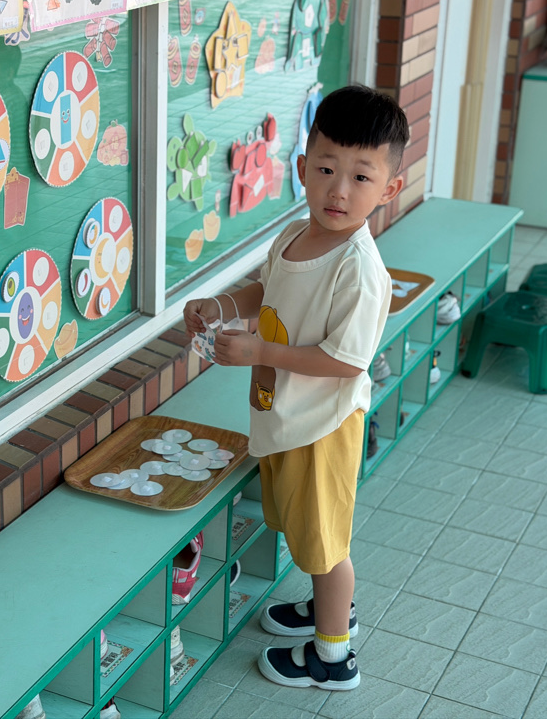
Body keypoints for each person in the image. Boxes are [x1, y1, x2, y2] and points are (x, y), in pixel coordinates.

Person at [184, 85, 408, 691]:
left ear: (388, 189)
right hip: (286, 415)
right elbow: (270, 288)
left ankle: (333, 657)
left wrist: (260, 352)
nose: (339, 191)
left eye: (361, 177)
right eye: (327, 169)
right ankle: (325, 610)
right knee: (308, 532)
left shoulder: (359, 270)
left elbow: (345, 362)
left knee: (327, 547)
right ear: (303, 167)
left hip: (323, 428)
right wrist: (221, 305)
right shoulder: (294, 235)